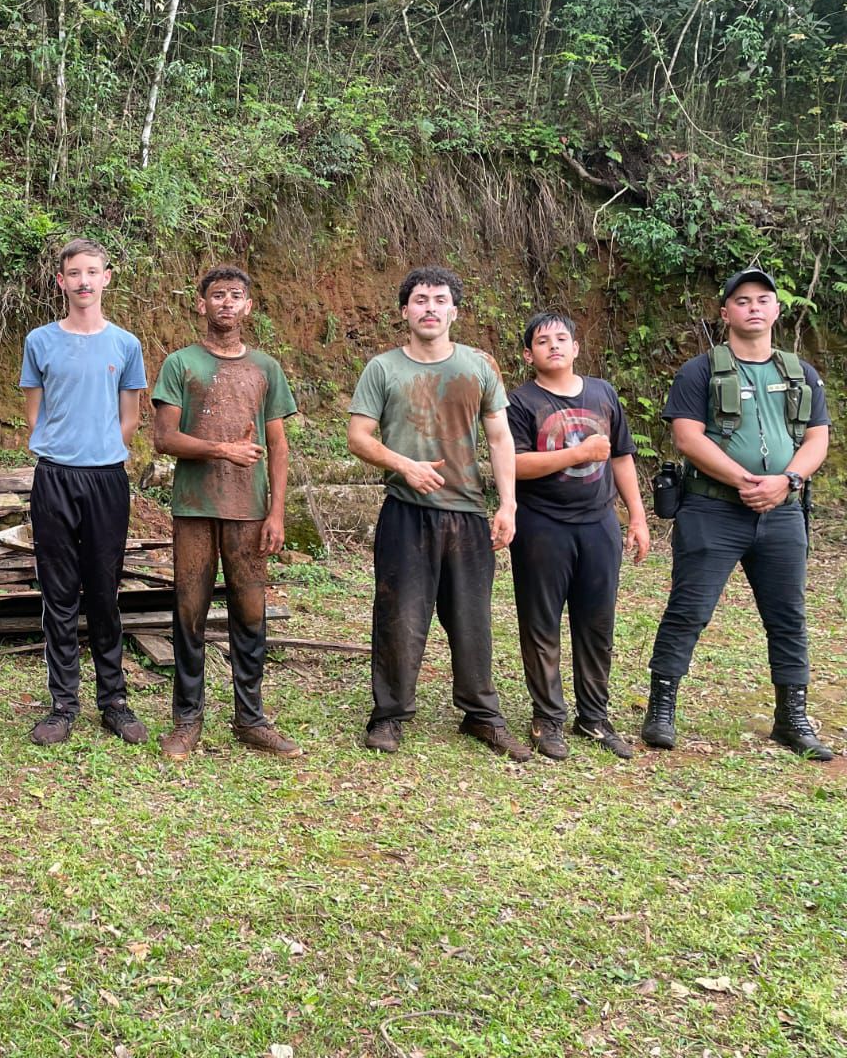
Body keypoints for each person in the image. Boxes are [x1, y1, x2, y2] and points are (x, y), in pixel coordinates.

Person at [642, 267, 833, 759]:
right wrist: (744, 480)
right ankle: (661, 709)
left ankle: (792, 717)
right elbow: (687, 436)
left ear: (776, 310)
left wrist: (787, 481)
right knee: (689, 610)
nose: (753, 308)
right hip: (712, 508)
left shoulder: (800, 373)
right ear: (725, 313)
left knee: (788, 615)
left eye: (763, 300)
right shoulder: (699, 371)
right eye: (742, 301)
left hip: (783, 511)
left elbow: (818, 437)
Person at [346, 265, 531, 761]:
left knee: (472, 620)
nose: (430, 308)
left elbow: (500, 438)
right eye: (420, 300)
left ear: (454, 311)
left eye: (439, 300)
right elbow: (359, 437)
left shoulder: (478, 366)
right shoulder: (383, 369)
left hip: (467, 513)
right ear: (404, 311)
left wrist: (508, 504)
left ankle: (482, 714)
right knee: (399, 617)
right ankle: (389, 714)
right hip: (406, 513)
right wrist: (404, 465)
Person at [152, 265, 302, 761]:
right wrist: (222, 450)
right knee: (189, 611)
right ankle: (186, 720)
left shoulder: (265, 368)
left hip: (249, 510)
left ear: (248, 307)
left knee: (251, 613)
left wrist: (276, 512)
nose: (226, 304)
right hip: (195, 508)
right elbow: (164, 438)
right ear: (202, 304)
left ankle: (250, 718)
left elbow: (278, 445)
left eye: (236, 296)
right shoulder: (181, 363)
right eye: (217, 296)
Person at [21, 239, 148, 746]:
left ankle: (113, 700)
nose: (83, 281)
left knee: (103, 591)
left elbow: (130, 416)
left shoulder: (125, 344)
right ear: (61, 281)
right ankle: (62, 705)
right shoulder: (40, 341)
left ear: (106, 277)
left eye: (92, 272)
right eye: (74, 273)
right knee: (57, 592)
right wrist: (61, 447)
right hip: (54, 477)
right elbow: (35, 411)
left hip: (106, 479)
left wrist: (100, 448)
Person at [506, 311, 649, 761]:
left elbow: (621, 457)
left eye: (561, 339)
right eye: (542, 341)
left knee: (596, 622)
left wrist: (637, 517)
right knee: (541, 622)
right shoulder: (520, 402)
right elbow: (513, 464)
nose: (554, 346)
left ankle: (594, 716)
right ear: (528, 354)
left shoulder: (603, 393)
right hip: (542, 524)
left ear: (576, 348)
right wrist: (578, 453)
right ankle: (547, 717)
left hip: (599, 523)